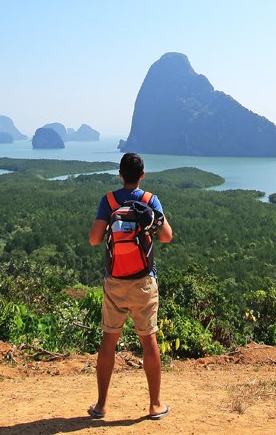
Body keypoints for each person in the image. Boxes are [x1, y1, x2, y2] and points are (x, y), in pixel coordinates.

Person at [86, 152, 173, 421]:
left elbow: (93, 239)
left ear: (120, 175)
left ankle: (101, 406)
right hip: (144, 281)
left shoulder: (109, 201)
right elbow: (167, 237)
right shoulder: (150, 200)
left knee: (108, 340)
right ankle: (155, 405)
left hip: (114, 281)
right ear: (142, 175)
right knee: (149, 340)